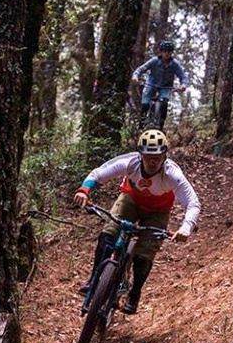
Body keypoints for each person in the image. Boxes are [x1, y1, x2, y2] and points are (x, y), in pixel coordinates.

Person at [72, 129, 200, 314]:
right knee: (108, 234)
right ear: (141, 155)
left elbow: (192, 202)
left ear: (165, 155)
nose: (152, 161)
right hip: (131, 200)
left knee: (144, 254)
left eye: (157, 156)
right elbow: (100, 173)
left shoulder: (172, 174)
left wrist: (186, 227)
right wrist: (84, 190)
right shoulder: (130, 162)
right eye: (148, 156)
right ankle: (94, 279)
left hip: (158, 210)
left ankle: (134, 294)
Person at [131, 39, 188, 128]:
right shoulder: (154, 61)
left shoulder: (175, 64)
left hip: (166, 87)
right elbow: (141, 69)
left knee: (164, 103)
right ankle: (141, 126)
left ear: (171, 53)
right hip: (151, 84)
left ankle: (160, 126)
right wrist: (135, 76)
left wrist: (183, 85)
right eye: (165, 51)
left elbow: (183, 76)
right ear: (161, 52)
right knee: (145, 104)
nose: (167, 54)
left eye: (169, 52)